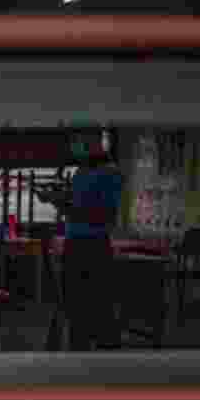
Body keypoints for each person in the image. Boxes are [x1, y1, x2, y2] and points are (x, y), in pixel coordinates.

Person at [39, 141, 124, 351]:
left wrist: (61, 203)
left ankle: (104, 351)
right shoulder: (80, 173)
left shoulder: (110, 174)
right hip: (75, 243)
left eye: (84, 145)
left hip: (93, 244)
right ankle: (80, 350)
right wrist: (56, 200)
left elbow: (103, 216)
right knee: (75, 304)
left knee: (98, 302)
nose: (77, 150)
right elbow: (75, 206)